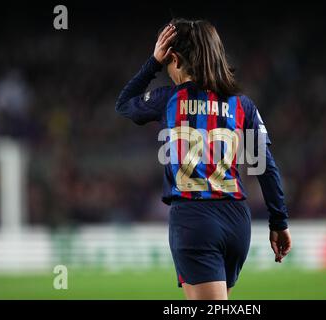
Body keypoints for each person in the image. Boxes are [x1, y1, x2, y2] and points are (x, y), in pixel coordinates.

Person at [115, 18, 291, 300]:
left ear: (174, 58)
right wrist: (279, 222)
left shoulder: (169, 99)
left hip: (194, 218)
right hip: (236, 221)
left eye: (168, 63)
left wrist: (152, 62)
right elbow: (265, 167)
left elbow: (124, 104)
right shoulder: (243, 105)